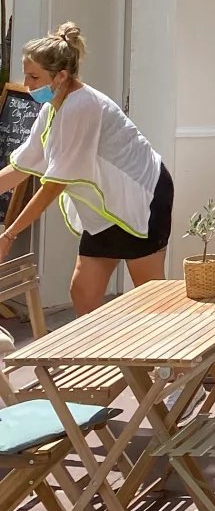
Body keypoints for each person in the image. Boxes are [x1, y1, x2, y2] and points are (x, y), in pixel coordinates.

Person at [0, 22, 173, 314]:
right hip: (106, 209)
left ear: (61, 76)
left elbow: (53, 186)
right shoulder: (51, 108)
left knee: (152, 300)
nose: (26, 84)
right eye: (26, 74)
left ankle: (178, 344)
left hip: (142, 198)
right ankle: (98, 347)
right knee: (83, 291)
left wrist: (9, 236)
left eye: (34, 77)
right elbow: (21, 168)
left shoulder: (81, 107)